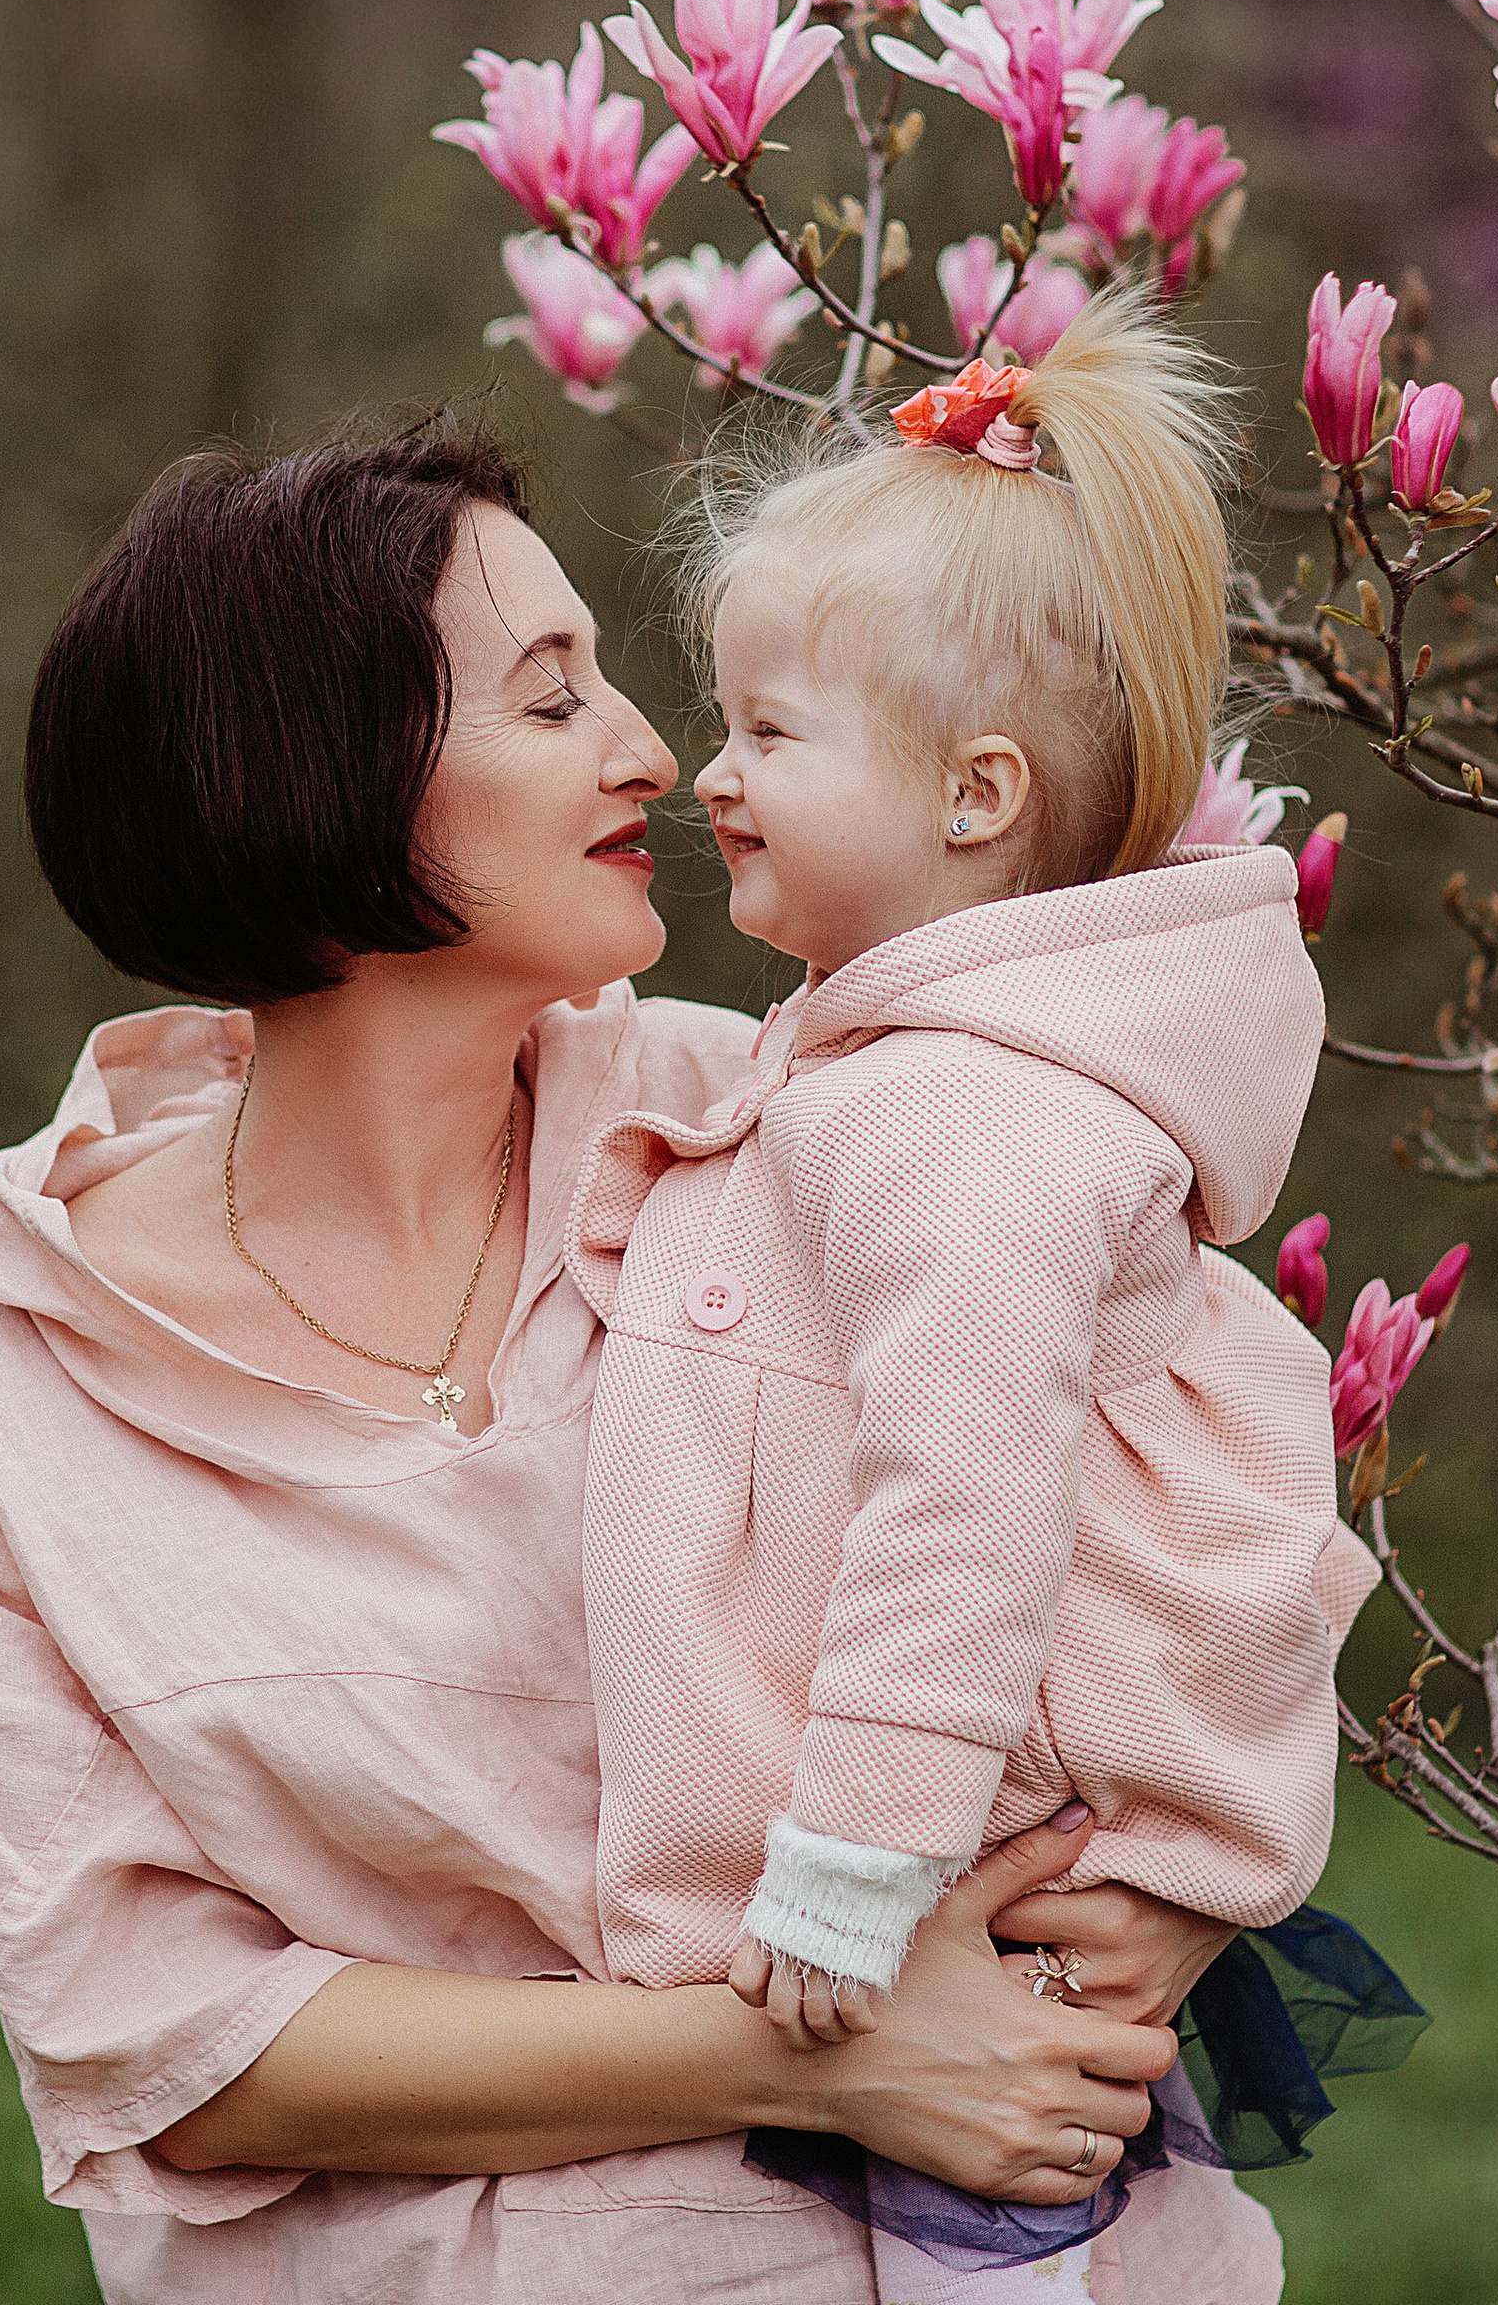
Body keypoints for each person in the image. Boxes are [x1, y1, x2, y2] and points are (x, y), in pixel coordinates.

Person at [0, 417, 1288, 2303]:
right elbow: (149, 2038)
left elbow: (1175, 1504)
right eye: (550, 703)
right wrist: (821, 2053)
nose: (650, 754)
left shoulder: (801, 1118)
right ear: (322, 778)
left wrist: (1144, 1916)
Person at [567, 295, 1397, 2302]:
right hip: (974, 1842)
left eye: (771, 730)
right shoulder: (896, 1059)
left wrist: (850, 1859)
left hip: (961, 1857)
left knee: (985, 2232)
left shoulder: (961, 1111)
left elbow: (963, 1504)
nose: (708, 768)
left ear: (971, 796)